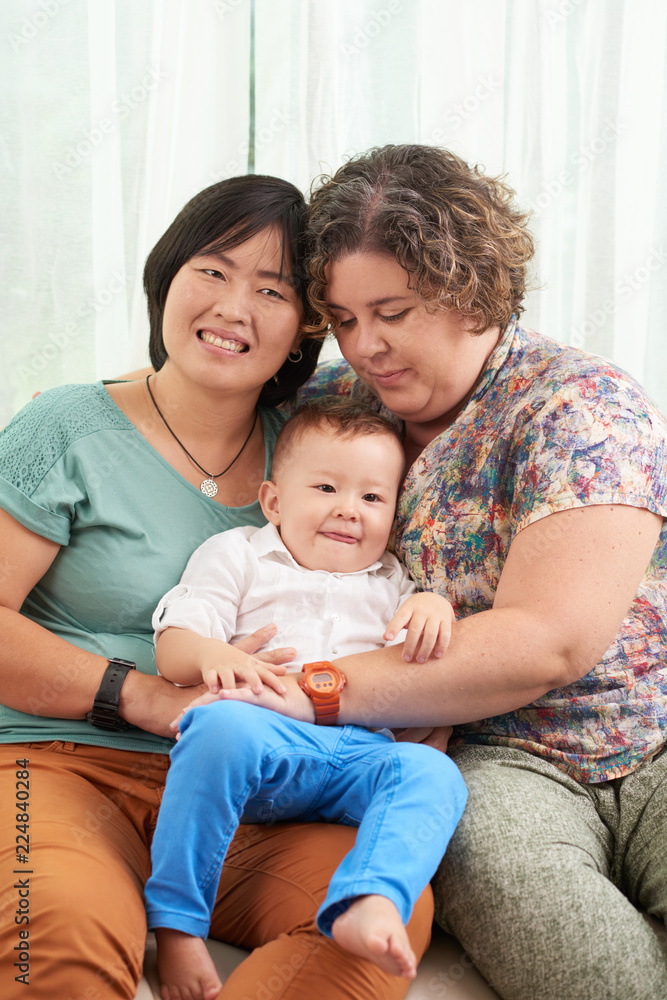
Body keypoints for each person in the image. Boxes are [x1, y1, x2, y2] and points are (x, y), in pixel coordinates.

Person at [214, 145, 667, 1000]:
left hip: (652, 732)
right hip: (492, 762)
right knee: (592, 974)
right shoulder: (335, 408)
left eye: (392, 310)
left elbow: (548, 644)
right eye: (344, 318)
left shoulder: (578, 406)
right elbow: (188, 399)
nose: (366, 344)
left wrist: (309, 688)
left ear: (474, 291)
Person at [0, 174, 436, 1000]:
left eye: (271, 289)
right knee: (55, 934)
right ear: (167, 275)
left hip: (251, 795)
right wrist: (142, 697)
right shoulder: (62, 428)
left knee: (374, 921)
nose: (235, 308)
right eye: (212, 270)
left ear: (305, 329)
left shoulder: (318, 455)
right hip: (49, 768)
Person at [144, 396, 467, 1000]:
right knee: (216, 728)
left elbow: (422, 664)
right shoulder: (240, 554)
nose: (349, 510)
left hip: (356, 755)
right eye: (326, 488)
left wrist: (433, 605)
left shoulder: (393, 580)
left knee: (434, 773)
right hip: (263, 743)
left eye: (373, 498)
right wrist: (220, 658)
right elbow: (176, 640)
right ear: (273, 501)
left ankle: (368, 899)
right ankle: (179, 925)